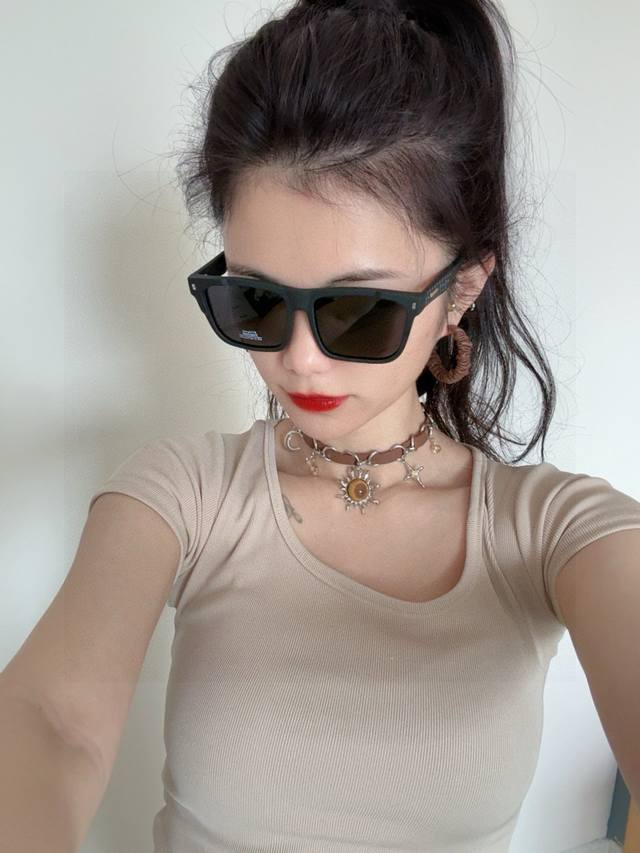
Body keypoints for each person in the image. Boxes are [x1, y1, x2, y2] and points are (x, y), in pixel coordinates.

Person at [2, 0, 640, 851]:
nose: (298, 360)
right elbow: (53, 719)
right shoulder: (185, 493)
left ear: (462, 289)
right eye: (256, 300)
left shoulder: (553, 529)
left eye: (360, 310)